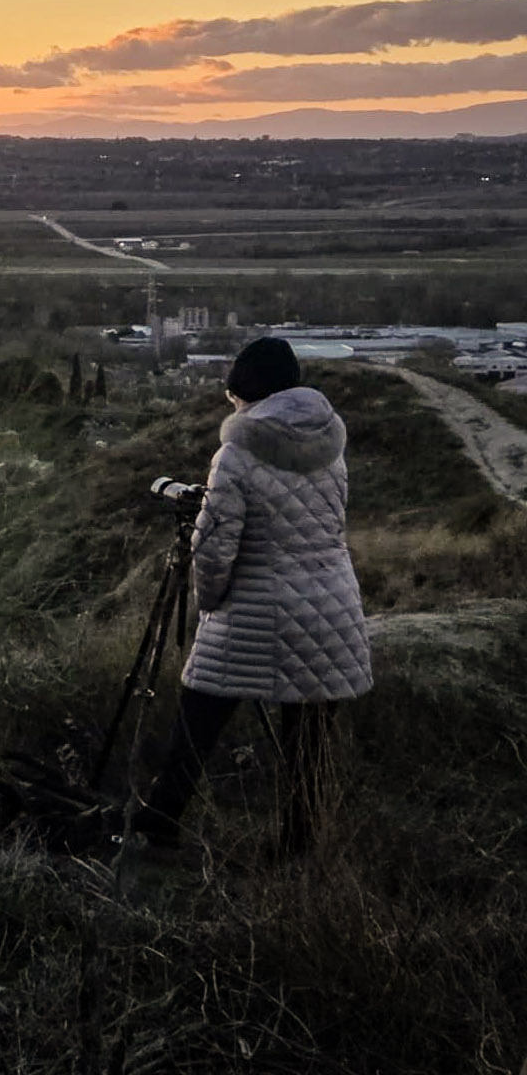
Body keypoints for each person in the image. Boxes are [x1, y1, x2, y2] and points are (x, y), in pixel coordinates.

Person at [137, 336, 372, 858]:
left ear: (244, 393)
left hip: (255, 606)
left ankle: (159, 826)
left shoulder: (236, 454)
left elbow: (216, 550)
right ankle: (299, 848)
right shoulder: (331, 444)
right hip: (333, 605)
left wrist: (210, 604)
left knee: (198, 716)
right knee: (307, 743)